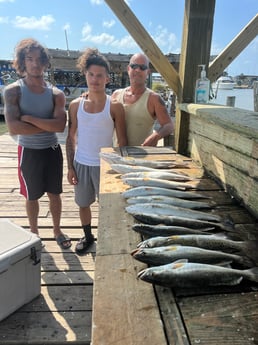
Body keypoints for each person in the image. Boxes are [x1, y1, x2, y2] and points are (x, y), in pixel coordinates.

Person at [3, 38, 71, 249]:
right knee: (31, 195)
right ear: (22, 62)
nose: (35, 64)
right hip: (29, 151)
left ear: (45, 63)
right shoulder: (13, 91)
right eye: (29, 59)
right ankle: (33, 232)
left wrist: (31, 119)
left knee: (55, 193)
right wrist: (48, 124)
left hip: (51, 150)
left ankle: (57, 230)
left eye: (39, 59)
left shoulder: (56, 94)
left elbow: (60, 126)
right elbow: (14, 128)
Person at [66, 48, 127, 255]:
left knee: (108, 206)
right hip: (81, 163)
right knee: (83, 203)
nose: (95, 79)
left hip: (106, 165)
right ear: (85, 75)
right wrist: (70, 168)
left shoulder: (115, 106)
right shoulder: (75, 105)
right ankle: (88, 236)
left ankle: (108, 236)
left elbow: (123, 141)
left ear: (107, 79)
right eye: (91, 74)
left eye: (99, 75)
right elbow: (70, 137)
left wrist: (121, 170)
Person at [112, 53, 174, 146]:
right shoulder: (116, 95)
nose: (137, 70)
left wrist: (156, 136)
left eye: (142, 67)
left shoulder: (154, 99)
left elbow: (169, 125)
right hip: (116, 155)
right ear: (128, 69)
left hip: (143, 157)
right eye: (134, 66)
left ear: (148, 72)